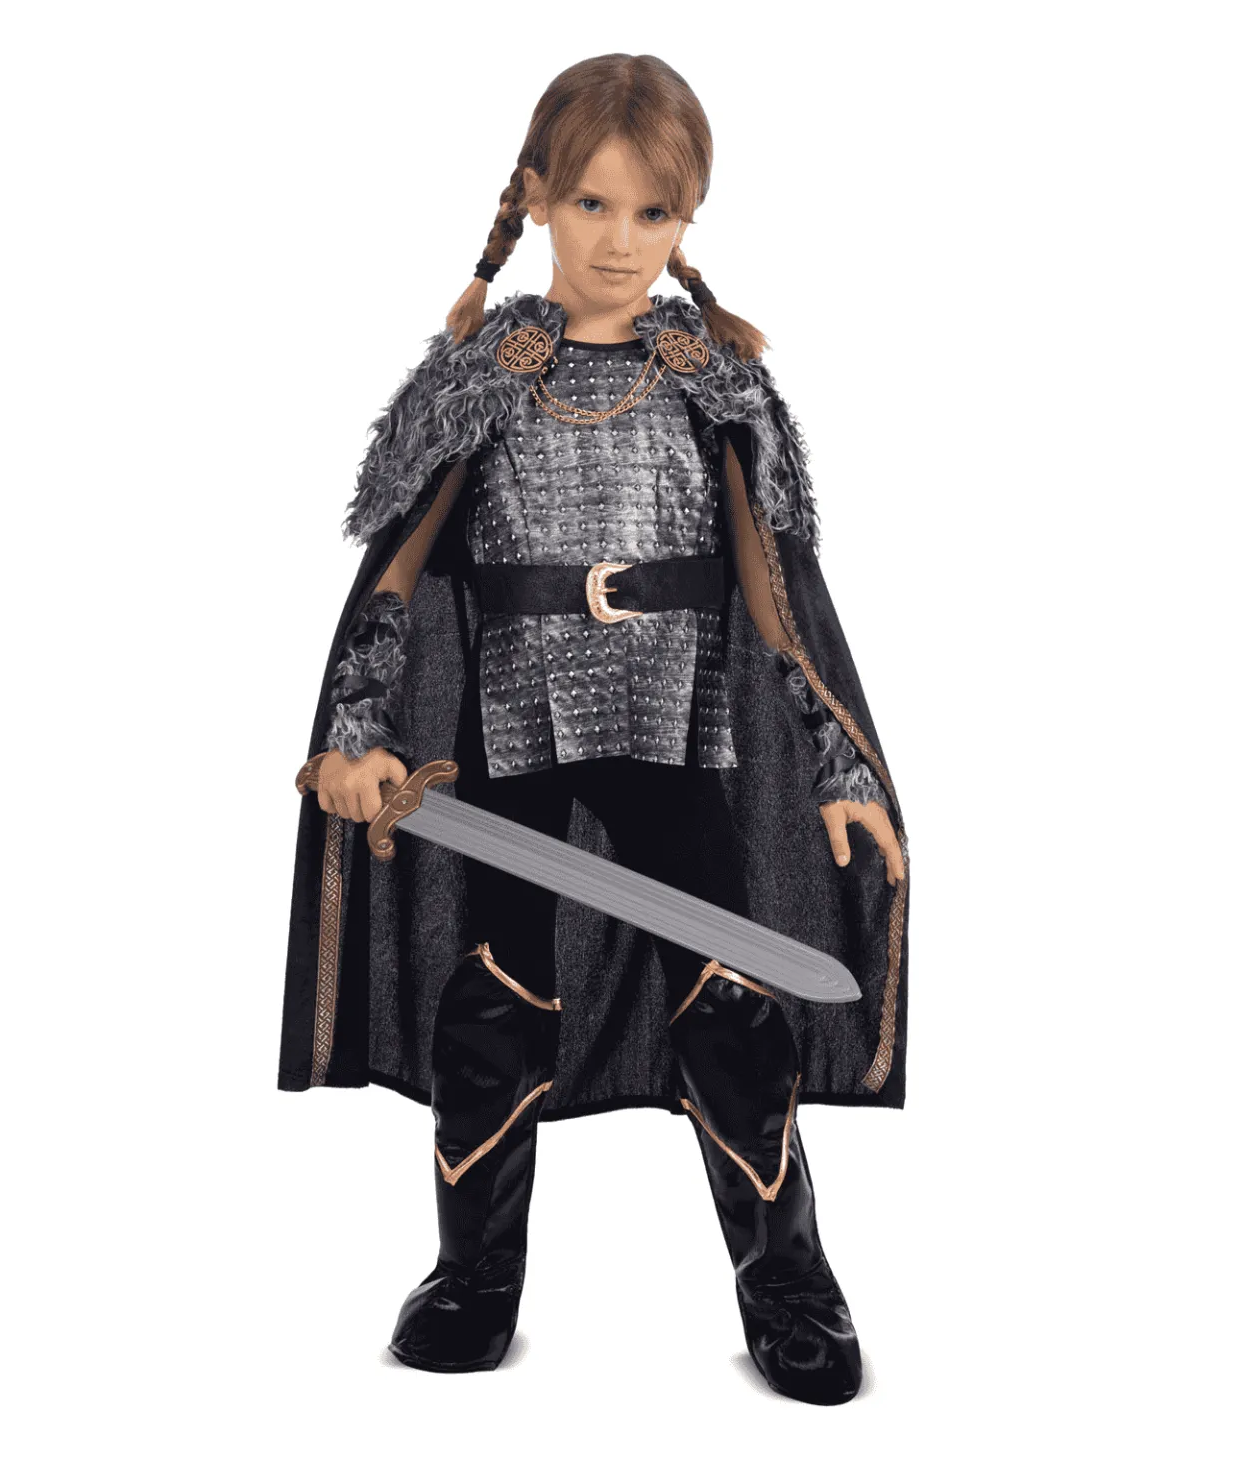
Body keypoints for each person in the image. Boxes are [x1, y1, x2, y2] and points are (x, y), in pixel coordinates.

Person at [278, 53, 910, 1407]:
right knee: (495, 996)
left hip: (677, 728)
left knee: (731, 1000)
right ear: (536, 200)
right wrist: (356, 731)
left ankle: (788, 1277)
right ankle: (473, 1275)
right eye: (592, 205)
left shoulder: (714, 384)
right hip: (509, 731)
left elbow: (777, 595)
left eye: (654, 214)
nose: (621, 242)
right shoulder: (482, 380)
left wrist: (838, 760)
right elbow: (394, 576)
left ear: (688, 222)